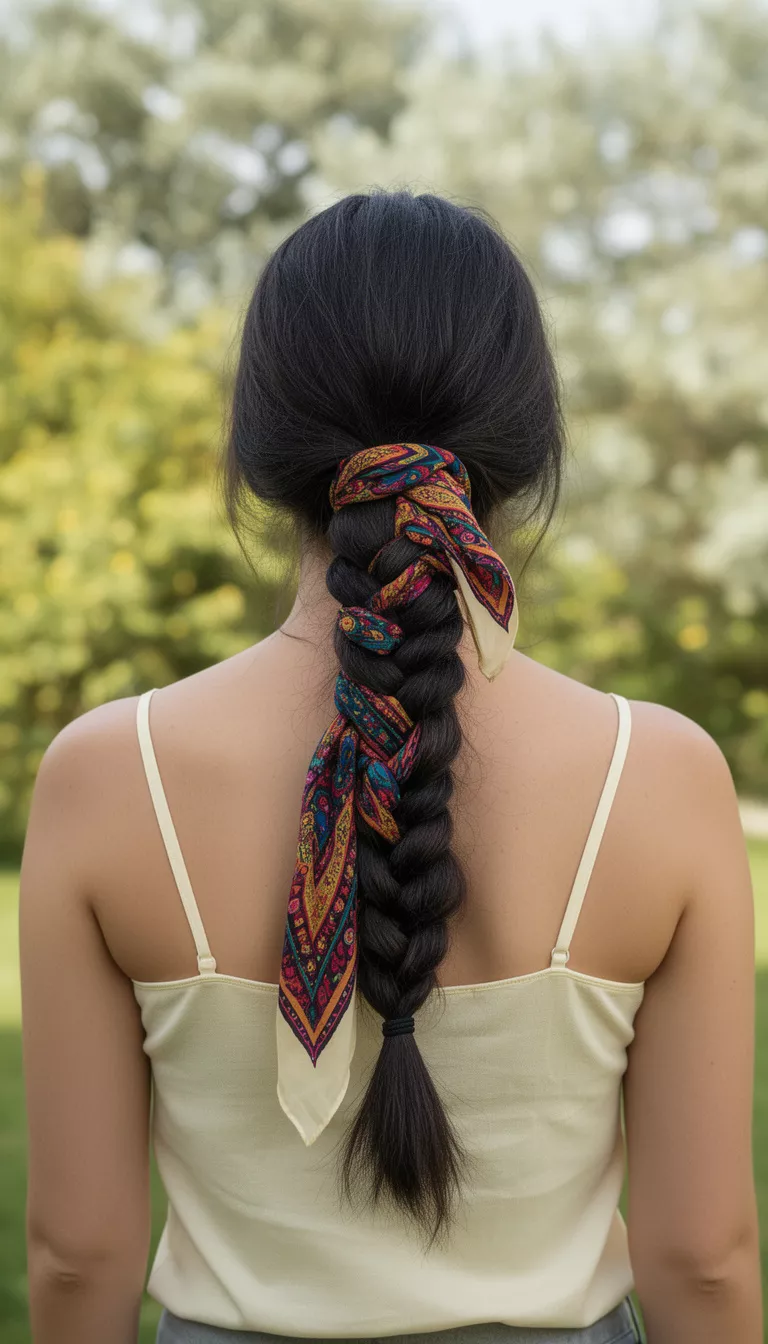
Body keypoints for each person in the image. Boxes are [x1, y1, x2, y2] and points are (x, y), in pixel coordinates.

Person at [20, 191, 761, 1344]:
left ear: (260, 450)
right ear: (526, 448)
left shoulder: (109, 777)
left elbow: (78, 1254)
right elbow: (704, 1259)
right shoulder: (659, 775)